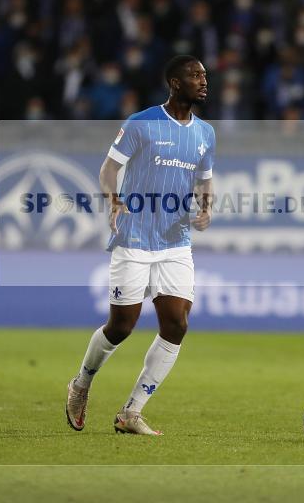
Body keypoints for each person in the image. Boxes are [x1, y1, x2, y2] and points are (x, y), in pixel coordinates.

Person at [66, 55, 215, 436]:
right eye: (194, 75)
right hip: (134, 237)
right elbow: (108, 168)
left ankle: (131, 411)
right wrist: (112, 199)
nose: (203, 81)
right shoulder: (141, 123)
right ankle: (81, 383)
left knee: (177, 323)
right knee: (122, 325)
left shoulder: (205, 133)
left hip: (175, 241)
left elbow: (205, 179)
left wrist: (206, 208)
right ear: (174, 83)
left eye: (204, 75)